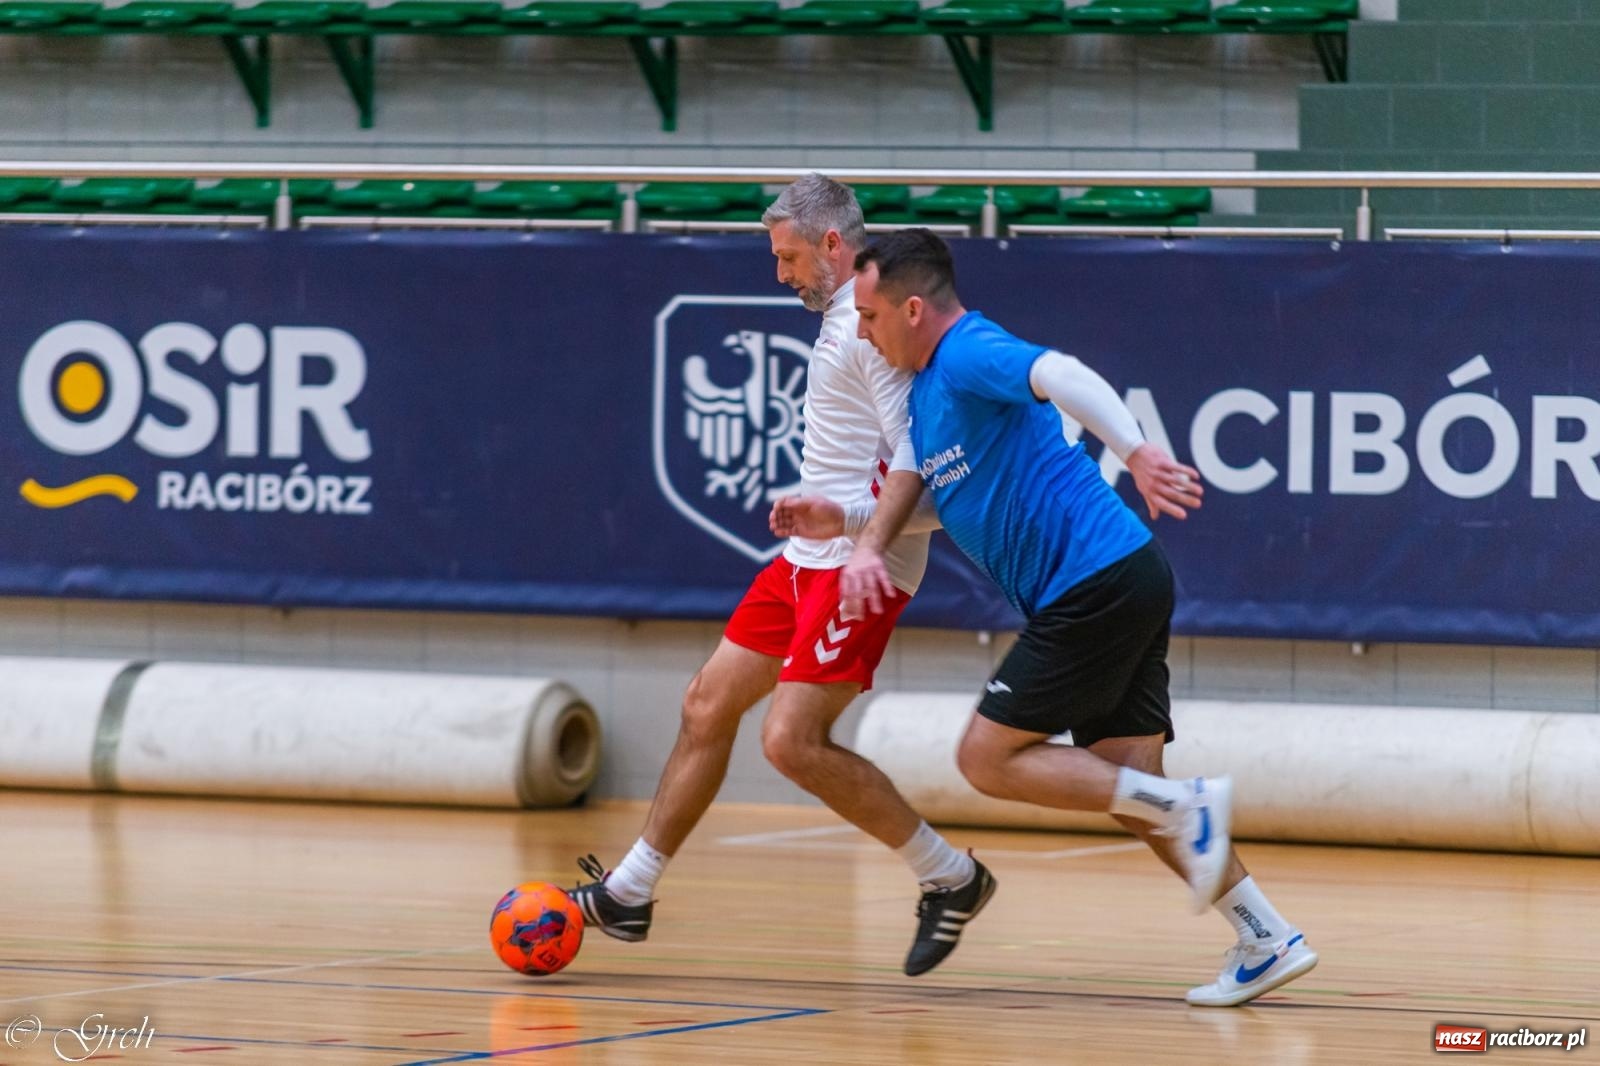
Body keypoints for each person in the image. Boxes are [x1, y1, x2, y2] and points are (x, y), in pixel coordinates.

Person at [771, 228, 1317, 1007]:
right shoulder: (927, 398)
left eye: (869, 316)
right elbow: (938, 504)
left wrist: (1133, 451)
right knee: (1130, 784)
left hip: (1090, 585)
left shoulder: (966, 351)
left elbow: (1059, 372)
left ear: (915, 308)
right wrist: (847, 518)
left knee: (986, 759)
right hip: (1124, 578)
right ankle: (1267, 936)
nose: (862, 331)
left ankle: (1188, 808)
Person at [568, 178, 995, 977]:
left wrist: (860, 536)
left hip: (860, 568)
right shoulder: (844, 320)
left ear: (834, 245)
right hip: (806, 562)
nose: (781, 274)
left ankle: (952, 877)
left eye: (789, 256)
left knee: (791, 743)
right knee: (705, 702)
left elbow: (925, 469)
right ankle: (630, 891)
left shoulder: (869, 331)